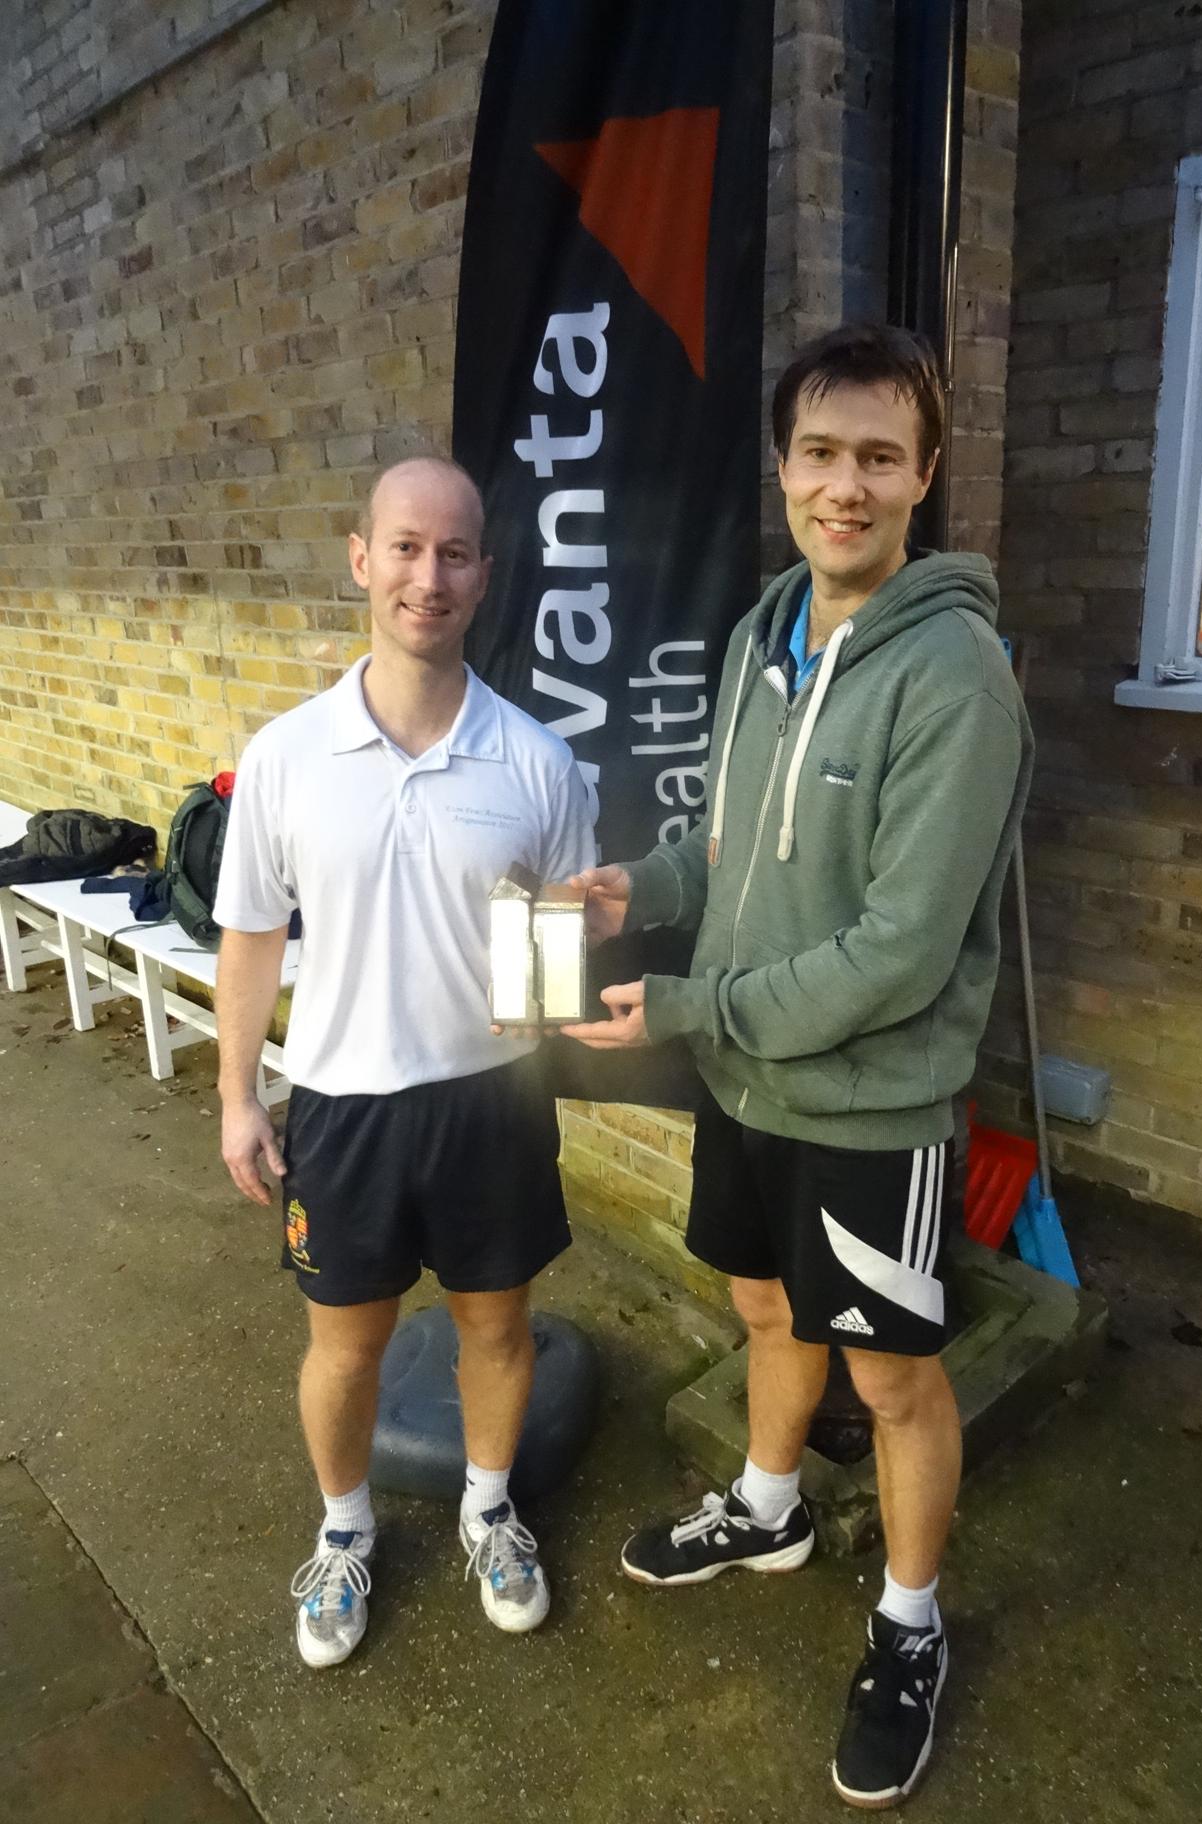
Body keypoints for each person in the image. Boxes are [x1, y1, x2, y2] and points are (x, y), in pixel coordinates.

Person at [563, 325, 1033, 1808]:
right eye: (822, 454)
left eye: (880, 458)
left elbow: (900, 950)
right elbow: (735, 849)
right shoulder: (774, 637)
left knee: (895, 1382)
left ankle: (909, 1623)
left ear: (925, 477)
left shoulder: (957, 679)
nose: (847, 485)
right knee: (762, 1300)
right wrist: (640, 891)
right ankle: (766, 1506)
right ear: (784, 469)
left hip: (873, 1111)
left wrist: (691, 1008)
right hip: (754, 1091)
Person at [214, 454, 594, 1669]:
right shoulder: (284, 757)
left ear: (486, 572)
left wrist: (563, 1005)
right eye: (406, 548)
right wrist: (236, 1096)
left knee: (496, 1330)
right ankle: (343, 1535)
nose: (428, 576)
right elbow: (253, 936)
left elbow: (559, 933)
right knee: (346, 1346)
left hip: (491, 1104)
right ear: (361, 557)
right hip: (343, 1108)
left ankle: (490, 1510)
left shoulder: (538, 761)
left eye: (456, 553)